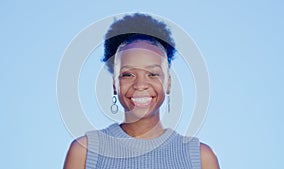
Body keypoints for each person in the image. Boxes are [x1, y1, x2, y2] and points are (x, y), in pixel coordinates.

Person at [63, 13, 220, 169]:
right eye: (128, 74)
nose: (140, 84)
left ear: (168, 83)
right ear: (115, 84)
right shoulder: (85, 152)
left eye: (152, 74)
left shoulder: (200, 159)